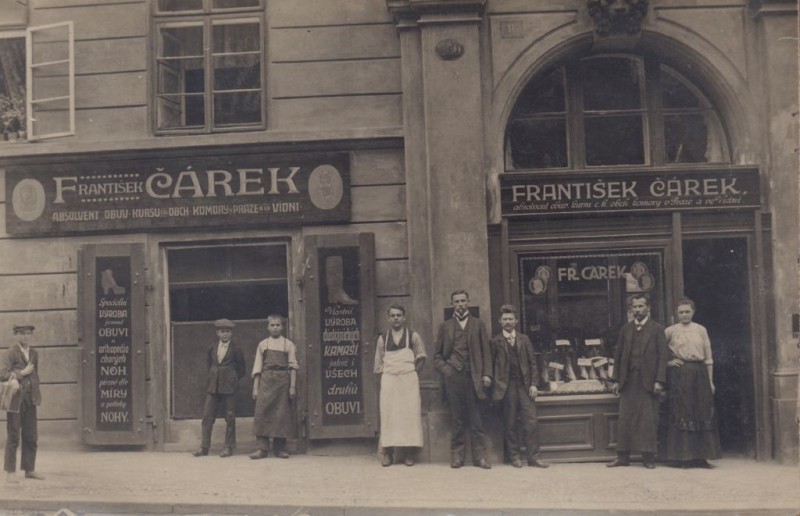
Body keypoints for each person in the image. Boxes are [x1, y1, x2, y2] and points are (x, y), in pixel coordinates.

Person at [433, 290, 493, 469]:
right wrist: (448, 371)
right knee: (457, 419)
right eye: (456, 301)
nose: (460, 304)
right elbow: (437, 357)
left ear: (468, 302)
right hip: (454, 378)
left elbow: (486, 352)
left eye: (463, 301)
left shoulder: (478, 324)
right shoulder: (445, 326)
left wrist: (487, 374)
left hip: (474, 377)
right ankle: (457, 457)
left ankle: (480, 458)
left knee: (476, 419)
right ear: (452, 304)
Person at [607, 294, 668, 469]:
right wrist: (616, 380)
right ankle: (622, 457)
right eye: (634, 307)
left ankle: (648, 458)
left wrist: (659, 380)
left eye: (641, 306)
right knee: (625, 419)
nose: (637, 310)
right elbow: (618, 356)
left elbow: (663, 357)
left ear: (648, 308)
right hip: (628, 380)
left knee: (648, 420)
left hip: (648, 382)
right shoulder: (625, 329)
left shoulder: (657, 329)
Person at [664, 298, 721, 468]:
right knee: (684, 411)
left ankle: (702, 457)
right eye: (681, 312)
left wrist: (710, 381)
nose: (684, 315)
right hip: (681, 374)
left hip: (700, 373)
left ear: (693, 312)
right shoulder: (670, 331)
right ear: (676, 313)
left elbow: (709, 357)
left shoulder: (700, 330)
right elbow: (657, 350)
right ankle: (684, 458)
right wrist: (669, 362)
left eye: (687, 311)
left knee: (702, 411)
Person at [490, 305, 549, 469]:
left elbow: (533, 363)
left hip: (524, 386)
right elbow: (491, 366)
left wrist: (534, 384)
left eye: (510, 319)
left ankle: (534, 458)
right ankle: (514, 456)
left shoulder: (524, 339)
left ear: (516, 321)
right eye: (505, 319)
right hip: (506, 387)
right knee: (510, 423)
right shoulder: (495, 342)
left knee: (531, 422)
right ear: (500, 322)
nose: (508, 322)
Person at [374, 304, 426, 467]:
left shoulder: (413, 336)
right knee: (389, 415)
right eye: (393, 315)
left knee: (409, 414)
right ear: (388, 318)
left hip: (408, 379)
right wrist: (388, 376)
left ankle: (409, 453)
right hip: (389, 380)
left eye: (399, 315)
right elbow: (378, 363)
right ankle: (388, 452)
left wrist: (411, 373)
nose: (396, 318)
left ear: (404, 317)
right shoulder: (383, 337)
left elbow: (421, 357)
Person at [193, 319, 246, 458]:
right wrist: (214, 377)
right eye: (222, 331)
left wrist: (232, 379)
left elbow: (242, 369)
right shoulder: (212, 347)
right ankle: (204, 447)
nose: (225, 334)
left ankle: (228, 447)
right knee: (207, 416)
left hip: (229, 387)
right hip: (213, 387)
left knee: (230, 416)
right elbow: (209, 365)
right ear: (218, 333)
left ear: (231, 333)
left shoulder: (236, 349)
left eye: (228, 331)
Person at [250, 315, 298, 459]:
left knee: (281, 414)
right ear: (268, 327)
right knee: (262, 412)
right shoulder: (263, 344)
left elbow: (293, 366)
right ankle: (262, 448)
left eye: (278, 325)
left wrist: (292, 387)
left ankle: (279, 448)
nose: (275, 328)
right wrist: (255, 388)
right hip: (266, 380)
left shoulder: (288, 344)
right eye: (272, 325)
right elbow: (257, 367)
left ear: (282, 327)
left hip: (283, 381)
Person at [1, 324, 44, 482]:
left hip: (30, 399)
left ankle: (29, 469)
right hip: (15, 399)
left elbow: (35, 375)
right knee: (13, 436)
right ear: (16, 335)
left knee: (31, 436)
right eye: (22, 334)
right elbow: (2, 373)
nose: (26, 336)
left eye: (28, 333)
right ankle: (10, 473)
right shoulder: (11, 352)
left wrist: (35, 391)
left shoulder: (34, 353)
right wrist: (21, 373)